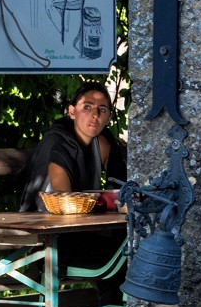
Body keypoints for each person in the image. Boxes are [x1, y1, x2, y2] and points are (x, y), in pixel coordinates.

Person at [19, 82, 127, 212]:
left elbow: (122, 187)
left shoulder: (103, 143)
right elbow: (66, 204)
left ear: (108, 118)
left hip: (84, 219)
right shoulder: (57, 143)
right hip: (49, 222)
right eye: (87, 107)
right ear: (72, 111)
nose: (95, 114)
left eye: (102, 110)